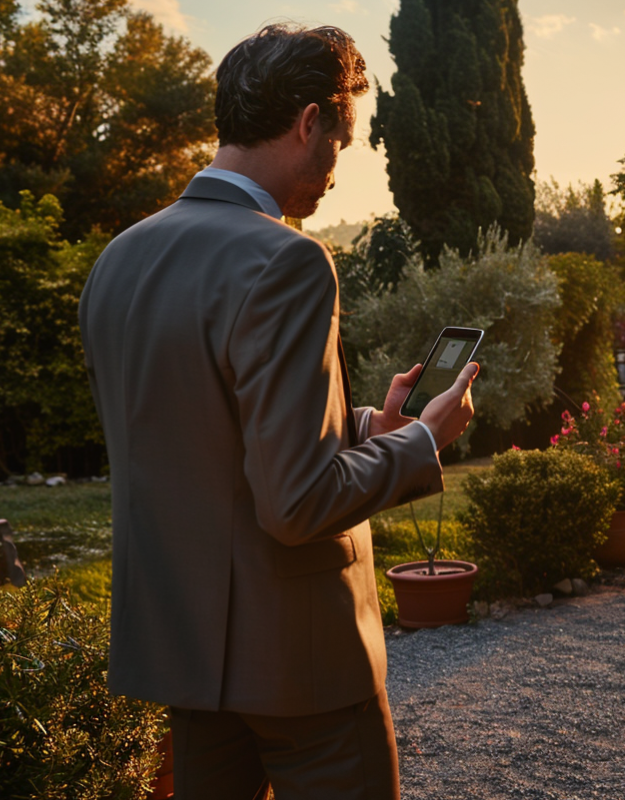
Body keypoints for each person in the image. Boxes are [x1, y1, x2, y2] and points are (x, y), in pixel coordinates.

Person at [78, 24, 476, 799]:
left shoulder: (117, 260)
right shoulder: (287, 259)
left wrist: (364, 427)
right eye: (342, 141)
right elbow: (296, 504)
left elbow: (202, 436)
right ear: (308, 123)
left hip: (184, 657)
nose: (335, 170)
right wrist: (422, 441)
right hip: (304, 667)